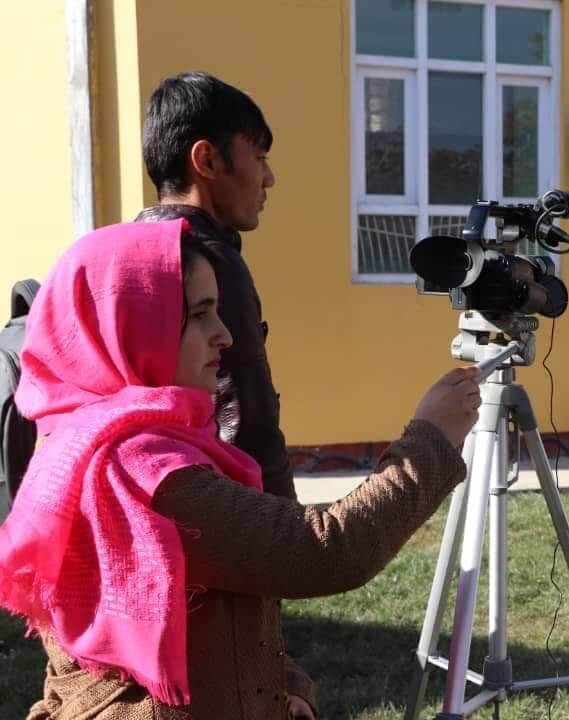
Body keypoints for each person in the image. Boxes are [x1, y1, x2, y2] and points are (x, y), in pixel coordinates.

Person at [0, 219, 480, 719]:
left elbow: (195, 615)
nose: (224, 335)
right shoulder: (140, 472)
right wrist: (430, 439)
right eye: (200, 316)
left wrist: (282, 684)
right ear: (132, 324)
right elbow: (326, 549)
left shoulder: (77, 442)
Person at [133, 70, 316, 716]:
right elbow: (249, 418)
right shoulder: (209, 263)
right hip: (220, 533)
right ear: (206, 160)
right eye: (259, 157)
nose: (268, 179)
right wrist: (286, 545)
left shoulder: (134, 255)